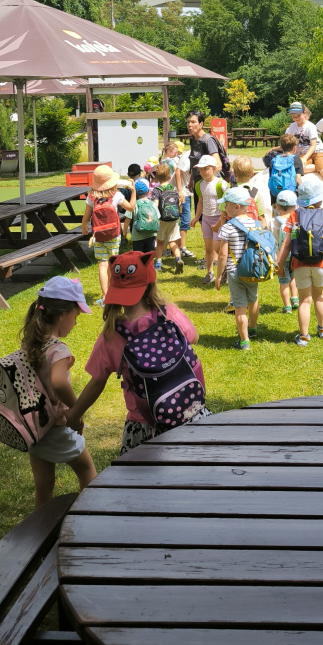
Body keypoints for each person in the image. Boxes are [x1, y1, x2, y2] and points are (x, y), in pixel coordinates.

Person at [64, 252, 209, 454]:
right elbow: (193, 337)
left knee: (141, 472)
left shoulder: (112, 335)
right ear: (150, 285)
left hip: (143, 425)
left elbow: (97, 382)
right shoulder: (168, 313)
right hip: (190, 412)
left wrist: (73, 415)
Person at [18, 277, 98, 508]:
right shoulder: (58, 350)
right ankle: (90, 515)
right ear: (62, 315)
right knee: (87, 469)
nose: (75, 323)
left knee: (44, 484)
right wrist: (76, 410)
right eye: (76, 316)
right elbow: (59, 383)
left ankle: (40, 524)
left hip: (34, 426)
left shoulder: (31, 342)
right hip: (55, 426)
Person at [276, 176, 323, 347]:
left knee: (304, 300)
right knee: (319, 296)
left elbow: (287, 244)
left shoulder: (294, 216)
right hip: (321, 263)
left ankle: (303, 337)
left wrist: (279, 265)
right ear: (319, 199)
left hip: (300, 263)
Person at [215, 187, 262, 350]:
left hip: (235, 272)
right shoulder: (256, 224)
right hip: (253, 270)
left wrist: (219, 275)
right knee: (253, 300)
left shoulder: (228, 227)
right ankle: (253, 328)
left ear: (236, 206)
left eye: (226, 204)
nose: (224, 208)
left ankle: (244, 341)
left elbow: (222, 255)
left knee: (240, 307)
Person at [81, 165, 134, 307]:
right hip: (114, 234)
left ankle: (105, 297)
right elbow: (130, 207)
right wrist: (133, 191)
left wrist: (84, 226)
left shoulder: (91, 196)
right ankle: (113, 294)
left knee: (102, 265)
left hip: (98, 235)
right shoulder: (116, 195)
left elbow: (86, 216)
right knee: (113, 263)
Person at [191, 155, 227, 284]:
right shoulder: (199, 185)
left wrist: (222, 219)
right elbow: (200, 201)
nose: (202, 172)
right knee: (208, 248)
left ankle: (224, 271)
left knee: (218, 248)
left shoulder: (221, 184)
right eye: (200, 169)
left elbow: (227, 202)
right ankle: (210, 272)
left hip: (219, 219)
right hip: (206, 218)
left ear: (214, 169)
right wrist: (196, 217)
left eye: (206, 169)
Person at [185, 111, 231, 208]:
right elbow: (195, 163)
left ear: (201, 124)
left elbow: (218, 165)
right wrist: (191, 181)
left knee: (211, 214)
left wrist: (206, 182)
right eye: (188, 122)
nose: (189, 125)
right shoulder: (192, 139)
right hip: (198, 185)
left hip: (209, 188)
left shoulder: (208, 141)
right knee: (200, 215)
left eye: (193, 122)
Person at [160, 140, 195, 260]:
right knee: (184, 219)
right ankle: (181, 247)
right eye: (175, 152)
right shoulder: (174, 161)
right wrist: (180, 190)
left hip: (167, 192)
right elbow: (177, 171)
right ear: (171, 151)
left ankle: (166, 248)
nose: (177, 154)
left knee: (169, 220)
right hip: (180, 193)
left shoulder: (162, 161)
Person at [150, 163, 184, 274]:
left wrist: (152, 216)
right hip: (174, 219)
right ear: (169, 176)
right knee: (173, 242)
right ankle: (178, 259)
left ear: (157, 177)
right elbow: (179, 204)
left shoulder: (157, 190)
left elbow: (155, 205)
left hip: (162, 220)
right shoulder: (173, 188)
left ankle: (158, 263)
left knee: (160, 242)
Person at [271, 189, 300, 314]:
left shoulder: (273, 222)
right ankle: (295, 298)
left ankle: (287, 306)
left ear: (277, 206)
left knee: (283, 281)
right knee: (293, 277)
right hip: (295, 254)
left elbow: (272, 240)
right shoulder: (296, 220)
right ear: (294, 206)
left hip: (280, 255)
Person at [230, 156, 272, 230]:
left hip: (234, 230)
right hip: (252, 231)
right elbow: (261, 217)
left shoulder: (229, 192)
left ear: (235, 174)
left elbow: (223, 216)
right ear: (252, 173)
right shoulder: (255, 192)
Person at [262, 134, 304, 199]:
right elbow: (298, 180)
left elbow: (271, 178)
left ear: (281, 147)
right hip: (290, 195)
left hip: (275, 194)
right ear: (294, 148)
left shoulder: (274, 160)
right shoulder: (295, 159)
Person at [130, 179, 160, 255]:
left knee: (138, 256)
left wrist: (124, 233)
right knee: (149, 256)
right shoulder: (152, 204)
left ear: (135, 193)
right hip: (151, 234)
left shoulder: (134, 204)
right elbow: (157, 218)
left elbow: (127, 218)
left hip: (137, 236)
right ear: (148, 191)